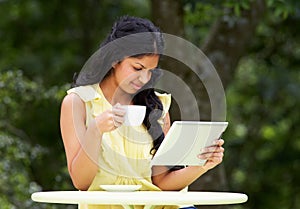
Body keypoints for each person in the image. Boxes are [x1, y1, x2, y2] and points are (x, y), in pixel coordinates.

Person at [60, 16, 225, 209]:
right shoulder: (78, 103)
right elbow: (81, 182)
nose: (144, 78)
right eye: (137, 68)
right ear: (115, 59)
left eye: (150, 71)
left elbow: (162, 182)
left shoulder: (157, 106)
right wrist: (95, 130)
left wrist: (202, 165)